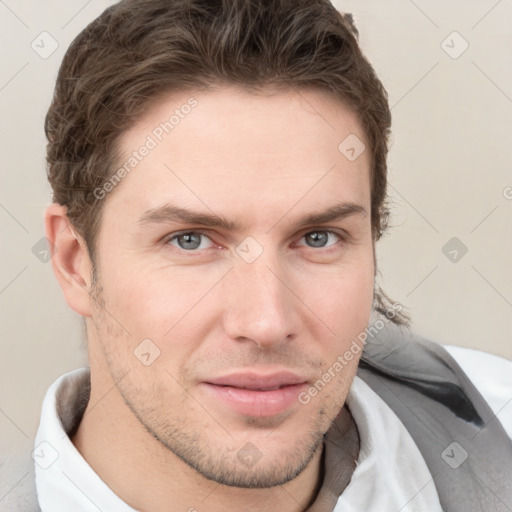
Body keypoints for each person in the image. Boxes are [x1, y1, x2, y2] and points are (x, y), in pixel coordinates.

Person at [4, 0, 511, 510]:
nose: (267, 322)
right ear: (75, 261)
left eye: (318, 237)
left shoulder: (497, 417)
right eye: (191, 240)